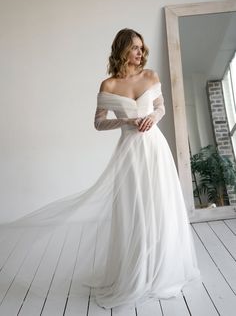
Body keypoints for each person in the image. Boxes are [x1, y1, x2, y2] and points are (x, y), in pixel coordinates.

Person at [1, 28, 201, 311]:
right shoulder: (108, 85)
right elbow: (98, 123)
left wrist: (152, 119)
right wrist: (126, 122)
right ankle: (136, 269)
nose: (140, 53)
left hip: (155, 149)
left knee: (160, 205)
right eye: (134, 48)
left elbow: (161, 108)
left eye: (142, 48)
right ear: (122, 49)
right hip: (130, 152)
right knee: (135, 209)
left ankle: (161, 268)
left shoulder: (151, 76)